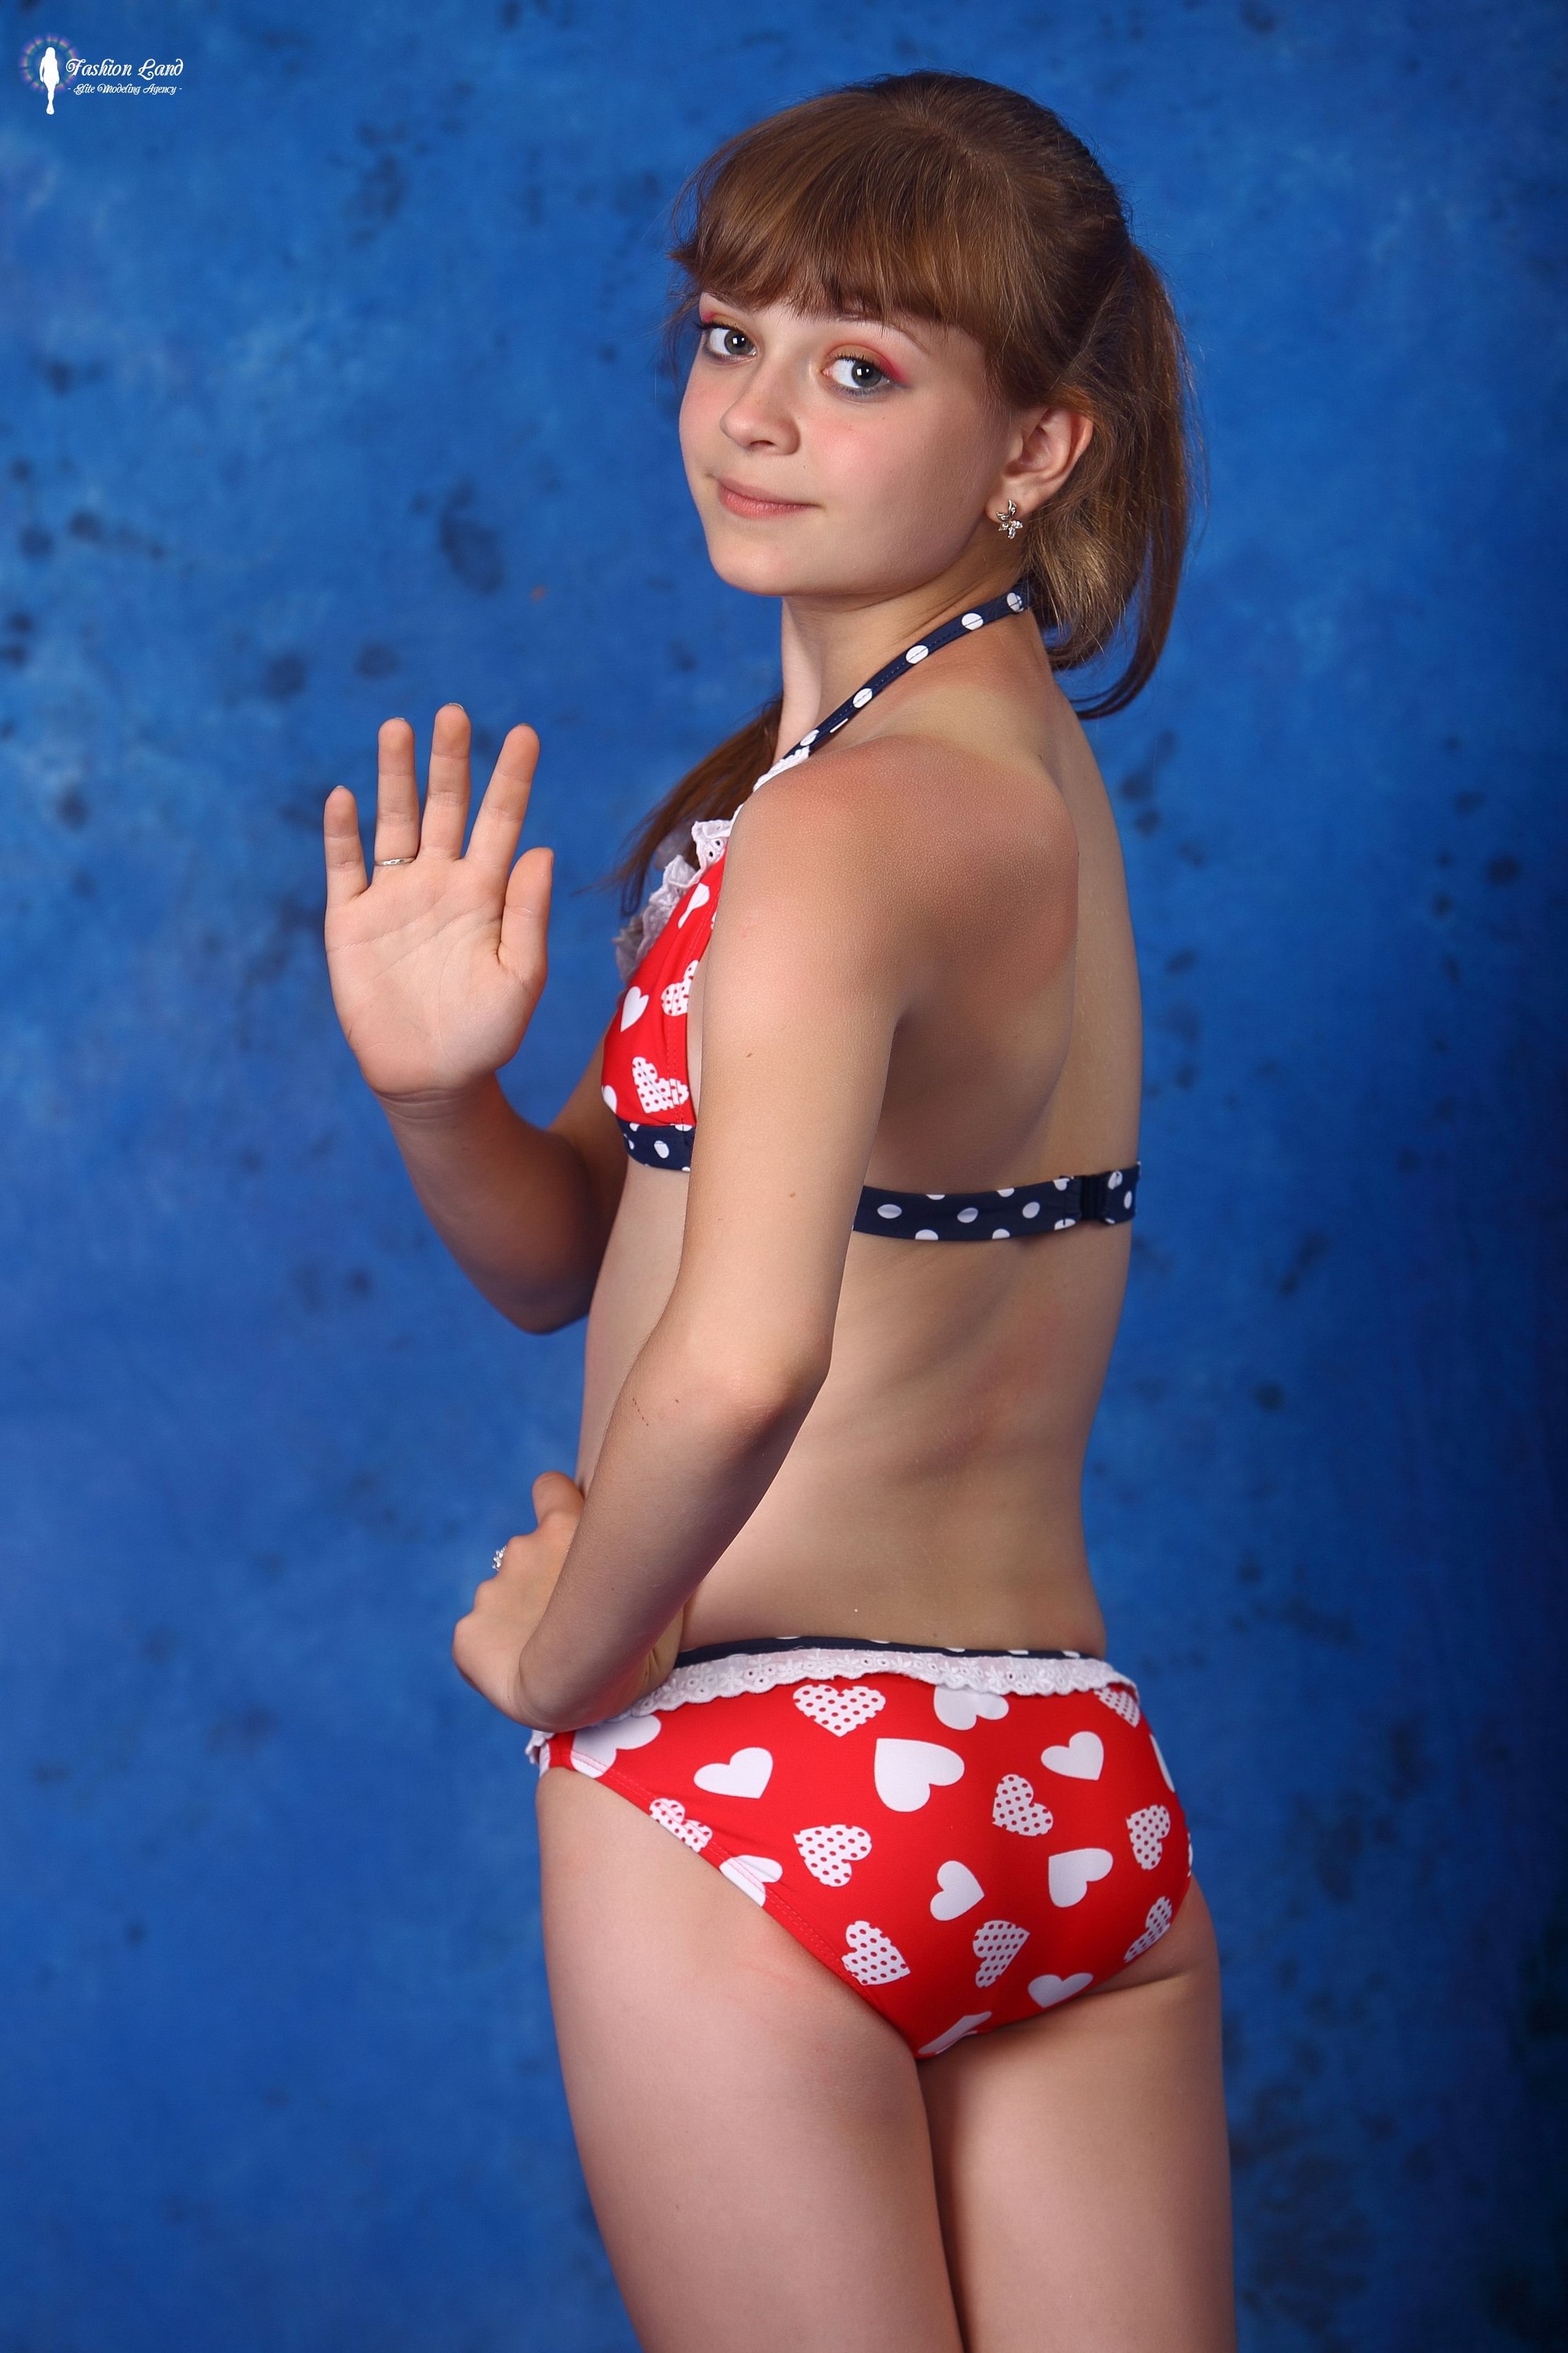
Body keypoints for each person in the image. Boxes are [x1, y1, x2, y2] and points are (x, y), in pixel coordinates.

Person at [323, 71, 1234, 2353]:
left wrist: (565, 1656)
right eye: (731, 338)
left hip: (761, 1773)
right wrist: (440, 1097)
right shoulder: (982, 783)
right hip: (1059, 1787)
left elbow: (740, 1361)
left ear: (1039, 445)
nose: (752, 415)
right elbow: (583, 1261)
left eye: (861, 369)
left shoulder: (840, 834)